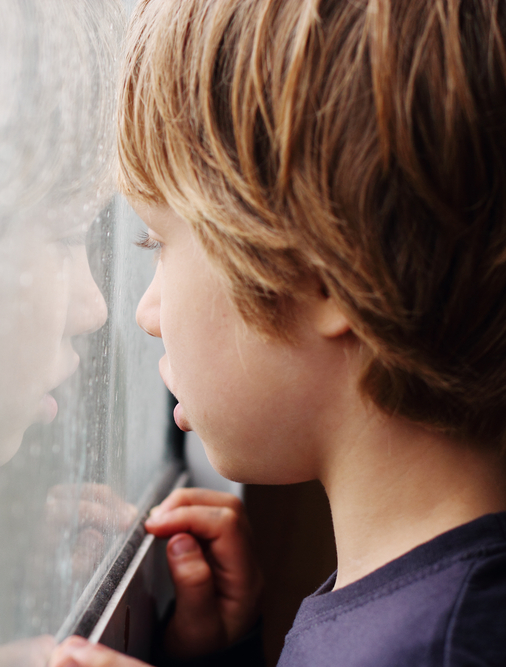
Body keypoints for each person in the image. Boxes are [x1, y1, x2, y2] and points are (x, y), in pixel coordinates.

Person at [50, 0, 506, 665]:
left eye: (158, 242)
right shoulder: (428, 600)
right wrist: (222, 648)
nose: (145, 311)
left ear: (326, 271)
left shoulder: (438, 646)